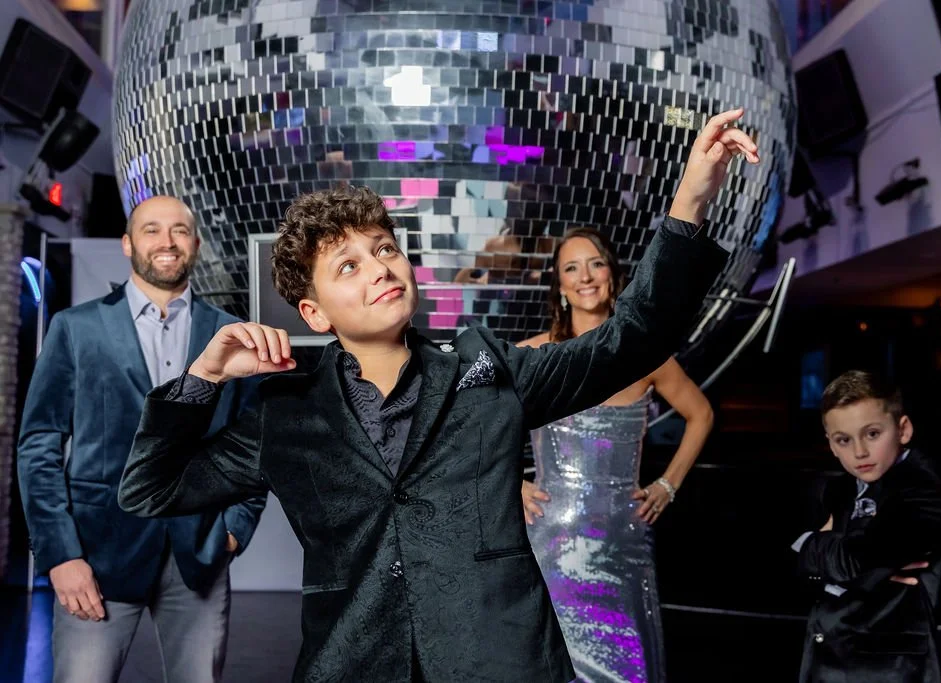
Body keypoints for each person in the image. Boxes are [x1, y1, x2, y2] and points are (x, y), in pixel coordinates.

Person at [118, 109, 760, 682]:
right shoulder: (285, 416)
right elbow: (149, 489)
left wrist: (691, 198)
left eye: (385, 249)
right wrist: (200, 379)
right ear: (314, 313)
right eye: (349, 265)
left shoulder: (489, 371)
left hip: (499, 659)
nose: (380, 268)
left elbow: (632, 342)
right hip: (353, 662)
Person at [17, 196, 267, 683]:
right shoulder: (75, 328)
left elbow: (253, 446)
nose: (167, 241)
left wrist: (235, 529)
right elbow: (39, 444)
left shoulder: (232, 334)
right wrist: (60, 554)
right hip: (96, 556)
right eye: (152, 230)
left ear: (195, 244)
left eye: (179, 230)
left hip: (201, 554)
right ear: (128, 244)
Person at [517, 226, 714, 682]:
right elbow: (472, 421)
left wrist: (669, 483)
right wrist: (510, 481)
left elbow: (701, 414)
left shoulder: (647, 357)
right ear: (560, 286)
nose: (585, 276)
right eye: (571, 267)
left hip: (624, 543)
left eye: (596, 263)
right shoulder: (534, 355)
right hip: (552, 545)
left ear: (613, 275)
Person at [792, 370, 941, 683]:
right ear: (831, 445)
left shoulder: (922, 487)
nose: (859, 452)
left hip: (886, 667)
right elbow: (798, 572)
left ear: (903, 430)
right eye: (844, 440)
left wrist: (809, 544)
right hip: (829, 657)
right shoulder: (839, 489)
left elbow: (855, 560)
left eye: (872, 434)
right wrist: (826, 558)